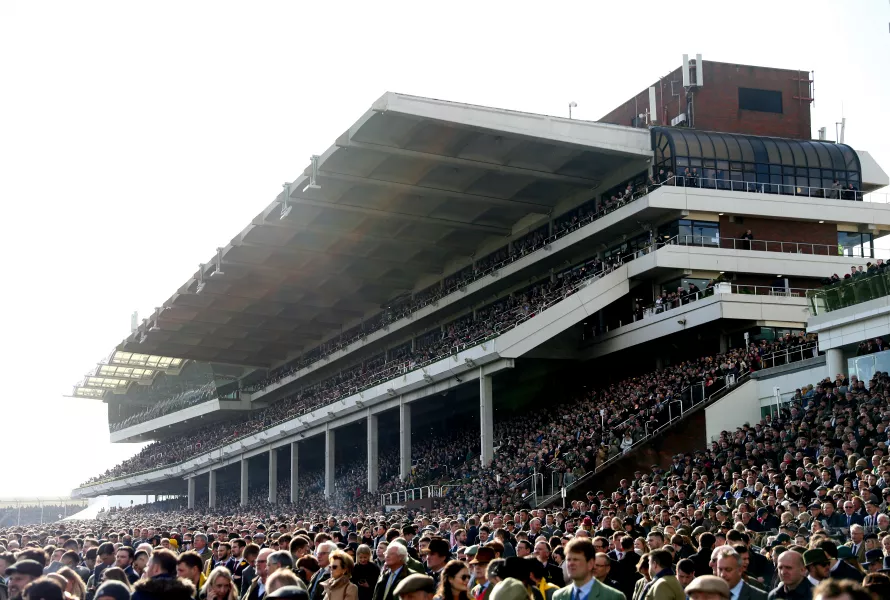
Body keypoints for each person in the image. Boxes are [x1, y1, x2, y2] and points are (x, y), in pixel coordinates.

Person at [552, 538, 624, 600]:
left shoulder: (613, 596)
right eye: (568, 559)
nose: (571, 563)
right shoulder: (558, 596)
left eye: (576, 559)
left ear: (590, 563)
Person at [131, 549, 196, 600]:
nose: (145, 570)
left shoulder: (140, 595)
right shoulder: (185, 595)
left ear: (156, 568)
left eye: (148, 566)